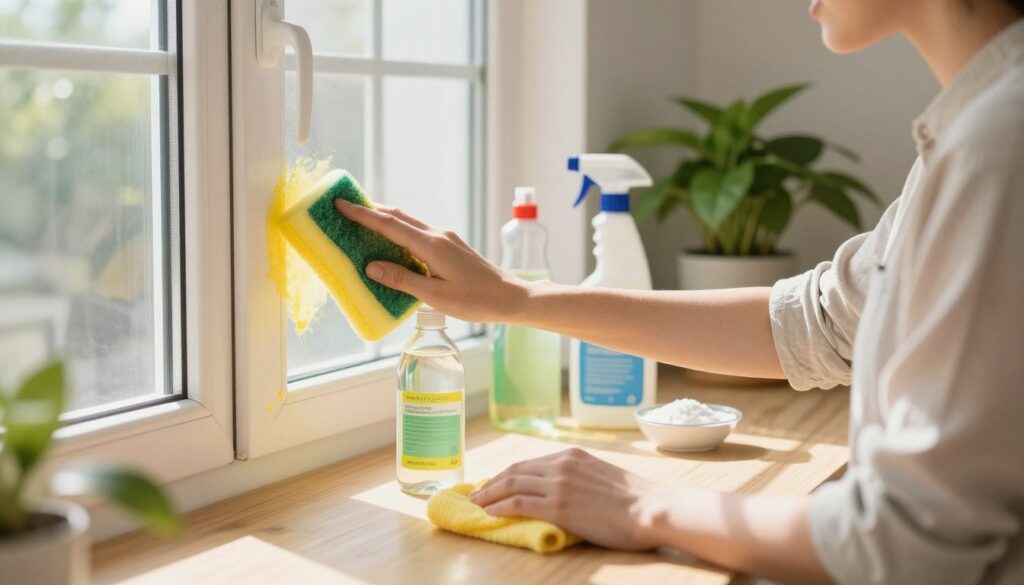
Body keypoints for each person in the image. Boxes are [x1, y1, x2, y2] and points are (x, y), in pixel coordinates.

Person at [335, 0, 1024, 582]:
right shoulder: (976, 129)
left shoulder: (1000, 145)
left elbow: (909, 542)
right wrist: (517, 300)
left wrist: (644, 505)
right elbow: (818, 322)